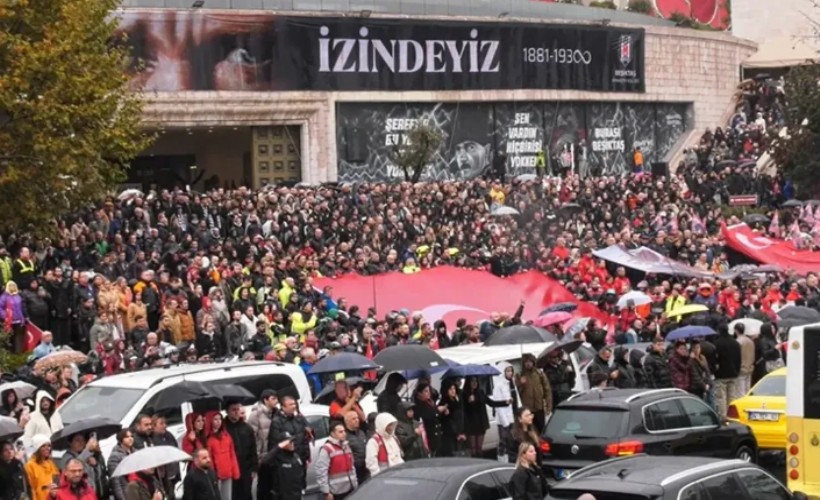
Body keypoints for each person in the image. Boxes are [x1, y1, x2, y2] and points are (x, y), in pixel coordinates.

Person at [268, 395, 312, 490]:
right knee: (289, 490)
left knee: (301, 487)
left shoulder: (299, 418)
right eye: (290, 404)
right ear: (283, 407)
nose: (294, 406)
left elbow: (306, 436)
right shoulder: (277, 422)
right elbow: (275, 443)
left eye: (294, 404)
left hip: (301, 460)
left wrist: (306, 455)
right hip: (287, 463)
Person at [223, 402, 257, 500]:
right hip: (231, 468)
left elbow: (253, 449)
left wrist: (254, 467)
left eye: (238, 409)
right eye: (233, 410)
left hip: (246, 467)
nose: (236, 412)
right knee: (233, 494)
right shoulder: (224, 429)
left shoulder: (247, 428)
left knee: (246, 493)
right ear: (227, 411)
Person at [248, 390, 278, 500]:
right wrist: (257, 457)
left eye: (276, 398)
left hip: (275, 454)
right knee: (264, 487)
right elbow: (252, 438)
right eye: (273, 399)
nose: (276, 401)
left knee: (274, 486)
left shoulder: (276, 412)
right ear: (265, 400)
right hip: (263, 456)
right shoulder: (256, 415)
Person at [315, 421, 357, 500]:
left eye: (344, 431)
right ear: (333, 434)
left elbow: (352, 467)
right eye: (340, 432)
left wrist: (355, 483)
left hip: (350, 488)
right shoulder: (327, 449)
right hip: (336, 491)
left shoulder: (346, 446)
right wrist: (326, 492)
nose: (344, 433)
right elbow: (321, 471)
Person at [259, 432, 304, 500]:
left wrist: (302, 489)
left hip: (297, 495)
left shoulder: (296, 456)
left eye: (292, 441)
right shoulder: (277, 458)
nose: (291, 443)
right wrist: (278, 447)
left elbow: (301, 475)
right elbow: (264, 462)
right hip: (282, 496)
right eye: (288, 442)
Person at [206, 411, 239, 500]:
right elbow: (210, 459)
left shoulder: (226, 436)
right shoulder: (209, 439)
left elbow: (232, 454)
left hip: (227, 472)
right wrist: (212, 474)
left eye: (220, 419)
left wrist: (235, 470)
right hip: (216, 474)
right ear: (210, 421)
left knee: (227, 497)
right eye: (215, 419)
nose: (218, 421)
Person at [516, 354, 552, 433]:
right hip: (527, 409)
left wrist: (549, 406)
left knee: (541, 429)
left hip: (539, 407)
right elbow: (517, 393)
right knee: (530, 430)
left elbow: (547, 390)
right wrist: (521, 384)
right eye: (526, 362)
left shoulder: (539, 374)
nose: (528, 364)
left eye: (530, 361)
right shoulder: (520, 375)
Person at [712, 324, 742, 417]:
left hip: (721, 374)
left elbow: (715, 360)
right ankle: (732, 415)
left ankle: (724, 416)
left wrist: (715, 371)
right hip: (733, 373)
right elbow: (739, 359)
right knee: (732, 396)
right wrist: (737, 370)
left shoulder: (717, 343)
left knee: (721, 397)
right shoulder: (735, 343)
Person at [365, 412, 403, 477]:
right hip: (384, 476)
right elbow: (371, 463)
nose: (391, 428)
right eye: (388, 425)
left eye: (392, 425)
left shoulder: (394, 438)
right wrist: (378, 478)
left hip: (399, 473)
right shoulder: (373, 441)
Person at [151, 415, 180, 500]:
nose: (165, 426)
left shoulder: (168, 435)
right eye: (161, 423)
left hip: (173, 472)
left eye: (165, 423)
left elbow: (175, 448)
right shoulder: (152, 439)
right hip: (163, 475)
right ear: (154, 426)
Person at [412, 382, 443, 457]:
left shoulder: (430, 402)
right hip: (428, 435)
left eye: (429, 391)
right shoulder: (418, 406)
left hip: (436, 434)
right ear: (420, 394)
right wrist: (437, 411)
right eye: (426, 391)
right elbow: (426, 416)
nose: (429, 393)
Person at [24, 434, 59, 500]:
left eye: (49, 445)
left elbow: (56, 481)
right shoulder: (30, 465)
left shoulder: (50, 463)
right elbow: (31, 489)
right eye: (43, 446)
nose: (47, 448)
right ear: (37, 448)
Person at [462, 377, 491, 457]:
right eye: (472, 381)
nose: (474, 383)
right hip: (471, 424)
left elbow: (491, 402)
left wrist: (505, 402)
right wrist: (469, 402)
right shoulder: (464, 394)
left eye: (476, 381)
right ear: (468, 383)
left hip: (481, 423)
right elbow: (463, 409)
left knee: (479, 449)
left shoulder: (480, 392)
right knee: (473, 449)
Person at [438, 379, 466, 457]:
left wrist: (462, 432)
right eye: (450, 389)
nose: (453, 391)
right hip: (450, 434)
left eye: (454, 388)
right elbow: (444, 420)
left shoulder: (458, 399)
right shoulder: (444, 402)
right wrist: (445, 413)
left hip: (459, 431)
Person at [108, 429, 135, 500]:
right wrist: (122, 498)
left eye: (131, 436)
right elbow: (115, 481)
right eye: (127, 437)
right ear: (121, 440)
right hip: (126, 492)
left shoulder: (135, 452)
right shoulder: (115, 456)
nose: (130, 438)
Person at [342, 411, 368, 484]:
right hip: (356, 471)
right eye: (353, 419)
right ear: (347, 422)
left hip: (366, 469)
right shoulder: (345, 436)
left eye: (357, 418)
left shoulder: (361, 433)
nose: (357, 420)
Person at [735, 323, 756, 395]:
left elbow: (737, 356)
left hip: (741, 368)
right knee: (747, 389)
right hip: (750, 367)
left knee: (740, 391)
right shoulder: (751, 341)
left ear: (736, 331)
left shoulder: (738, 342)